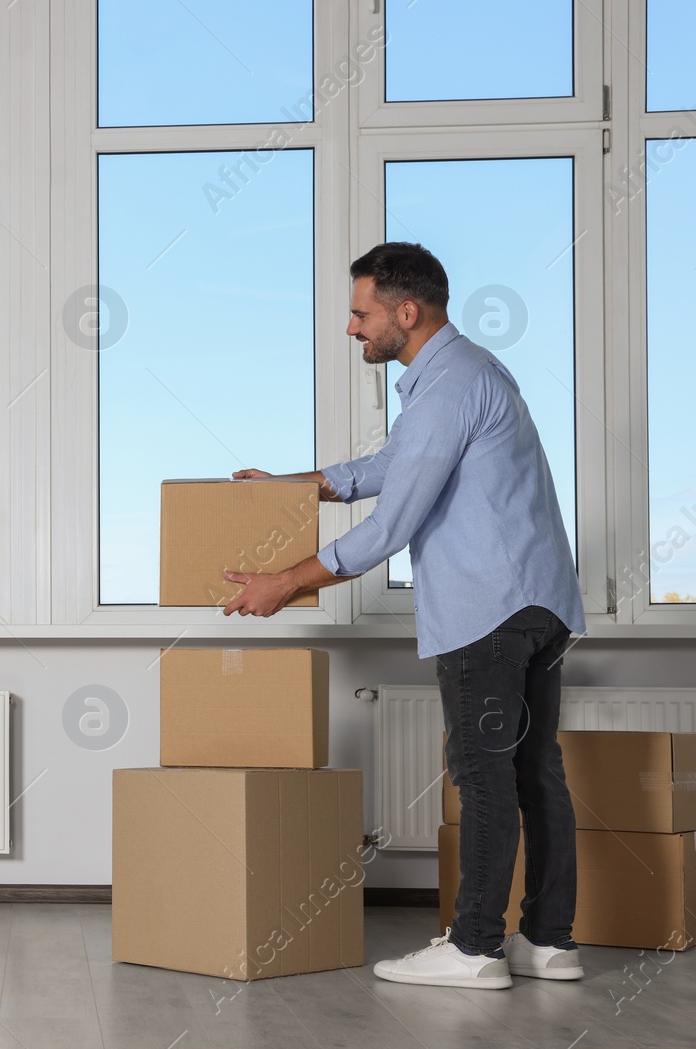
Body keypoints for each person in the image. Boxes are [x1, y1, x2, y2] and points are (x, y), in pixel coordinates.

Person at [222, 242, 586, 990]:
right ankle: (549, 942)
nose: (353, 328)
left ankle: (476, 948)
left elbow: (391, 523)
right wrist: (295, 486)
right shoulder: (468, 373)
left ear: (406, 312)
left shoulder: (448, 388)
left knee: (484, 778)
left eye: (362, 313)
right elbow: (391, 466)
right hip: (541, 601)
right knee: (534, 771)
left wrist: (283, 583)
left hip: (489, 608)